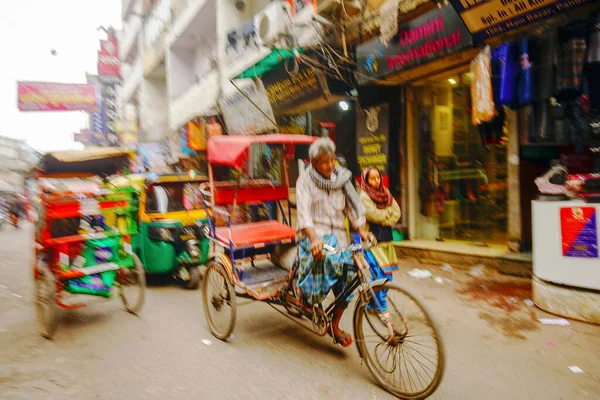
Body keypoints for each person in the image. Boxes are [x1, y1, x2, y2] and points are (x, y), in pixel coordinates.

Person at [295, 138, 374, 347]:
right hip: (314, 237)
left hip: (339, 238)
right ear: (313, 163)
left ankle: (334, 324)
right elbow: (303, 214)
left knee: (351, 276)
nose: (330, 165)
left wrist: (361, 230)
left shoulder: (342, 179)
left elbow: (351, 208)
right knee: (328, 260)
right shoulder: (305, 181)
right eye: (324, 162)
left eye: (332, 160)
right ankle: (306, 295)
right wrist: (314, 239)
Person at [359, 167, 401, 314]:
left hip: (387, 242)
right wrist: (387, 214)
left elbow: (397, 212)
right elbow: (373, 215)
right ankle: (382, 309)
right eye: (372, 178)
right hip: (372, 243)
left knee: (388, 276)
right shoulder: (364, 196)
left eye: (378, 177)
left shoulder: (386, 193)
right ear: (366, 180)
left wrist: (385, 217)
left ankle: (371, 304)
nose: (376, 181)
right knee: (380, 276)